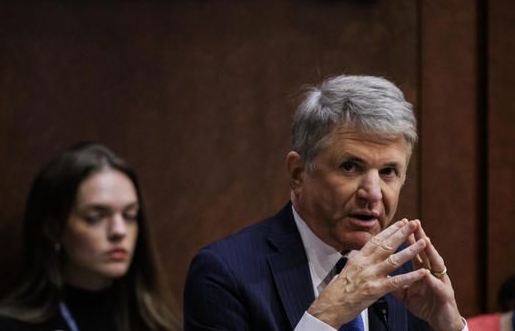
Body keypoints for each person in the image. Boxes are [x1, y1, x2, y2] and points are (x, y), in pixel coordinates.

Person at [184, 75, 468, 331]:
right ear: (298, 172)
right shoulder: (225, 274)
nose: (373, 193)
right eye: (350, 167)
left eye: (388, 172)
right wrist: (325, 318)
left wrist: (451, 326)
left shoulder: (406, 270)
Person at [0, 142, 181, 331]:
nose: (119, 230)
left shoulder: (159, 325)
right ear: (54, 229)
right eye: (96, 217)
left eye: (129, 216)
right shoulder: (3, 327)